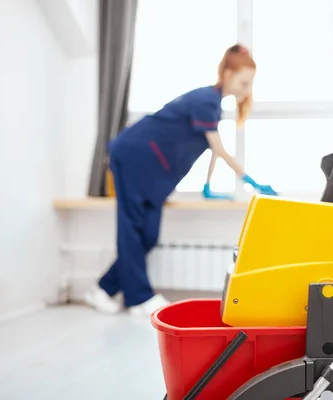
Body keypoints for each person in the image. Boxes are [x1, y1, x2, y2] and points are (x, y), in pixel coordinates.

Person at [85, 44, 277, 316]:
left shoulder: (213, 108)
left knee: (148, 236)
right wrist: (251, 180)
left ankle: (102, 289)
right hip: (134, 156)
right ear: (228, 73)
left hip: (152, 173)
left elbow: (211, 150)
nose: (246, 90)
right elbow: (220, 149)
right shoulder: (205, 100)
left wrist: (208, 185)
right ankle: (139, 298)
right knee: (132, 229)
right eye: (244, 82)